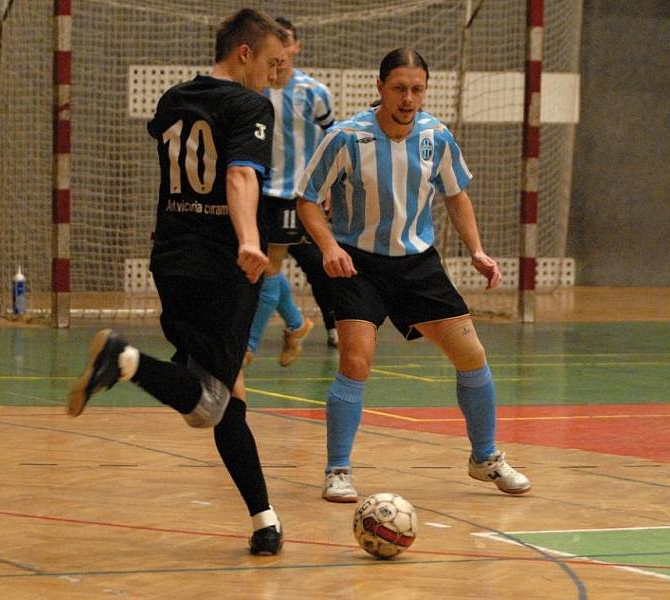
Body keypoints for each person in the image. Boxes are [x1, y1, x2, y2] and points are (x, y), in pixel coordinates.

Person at [67, 8, 286, 555]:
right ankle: (124, 360)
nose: (271, 75)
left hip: (171, 256)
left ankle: (265, 523)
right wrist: (248, 239)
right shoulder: (249, 104)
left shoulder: (173, 99)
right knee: (211, 402)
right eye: (268, 63)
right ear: (243, 53)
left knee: (228, 394)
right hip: (222, 265)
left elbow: (181, 171)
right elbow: (238, 174)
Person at [296, 48, 532, 502]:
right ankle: (338, 470)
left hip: (417, 263)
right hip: (357, 261)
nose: (408, 98)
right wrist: (328, 247)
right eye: (400, 88)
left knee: (472, 354)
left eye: (417, 89)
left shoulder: (436, 136)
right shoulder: (347, 137)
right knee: (355, 360)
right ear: (380, 87)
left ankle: (484, 458)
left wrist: (477, 251)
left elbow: (456, 195)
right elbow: (307, 198)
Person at [243, 17, 337, 369]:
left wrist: (329, 187)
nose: (280, 51)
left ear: (296, 47)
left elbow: (333, 140)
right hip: (256, 189)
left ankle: (248, 346)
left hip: (291, 192)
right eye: (274, 43)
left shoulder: (314, 93)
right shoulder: (253, 90)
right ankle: (296, 325)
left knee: (269, 267)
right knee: (262, 267)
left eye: (286, 42)